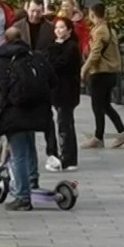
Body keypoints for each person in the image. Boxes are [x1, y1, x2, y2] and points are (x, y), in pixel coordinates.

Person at [0, 26, 55, 211]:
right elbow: (52, 80)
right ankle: (32, 181)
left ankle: (22, 196)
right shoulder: (35, 56)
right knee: (29, 145)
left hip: (12, 113)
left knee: (18, 153)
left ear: (4, 40)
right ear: (21, 38)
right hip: (37, 111)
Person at [79, 3, 124, 149]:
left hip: (101, 72)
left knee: (98, 106)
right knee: (105, 105)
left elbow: (95, 53)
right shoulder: (109, 28)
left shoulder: (100, 31)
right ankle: (121, 132)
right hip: (110, 73)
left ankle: (99, 137)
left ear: (92, 14)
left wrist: (84, 69)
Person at [45, 17, 82, 172]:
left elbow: (58, 64)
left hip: (67, 91)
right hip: (57, 90)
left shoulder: (71, 47)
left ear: (69, 30)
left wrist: (55, 49)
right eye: (56, 28)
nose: (58, 31)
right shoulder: (55, 46)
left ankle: (68, 158)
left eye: (62, 28)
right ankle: (66, 156)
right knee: (63, 123)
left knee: (65, 124)